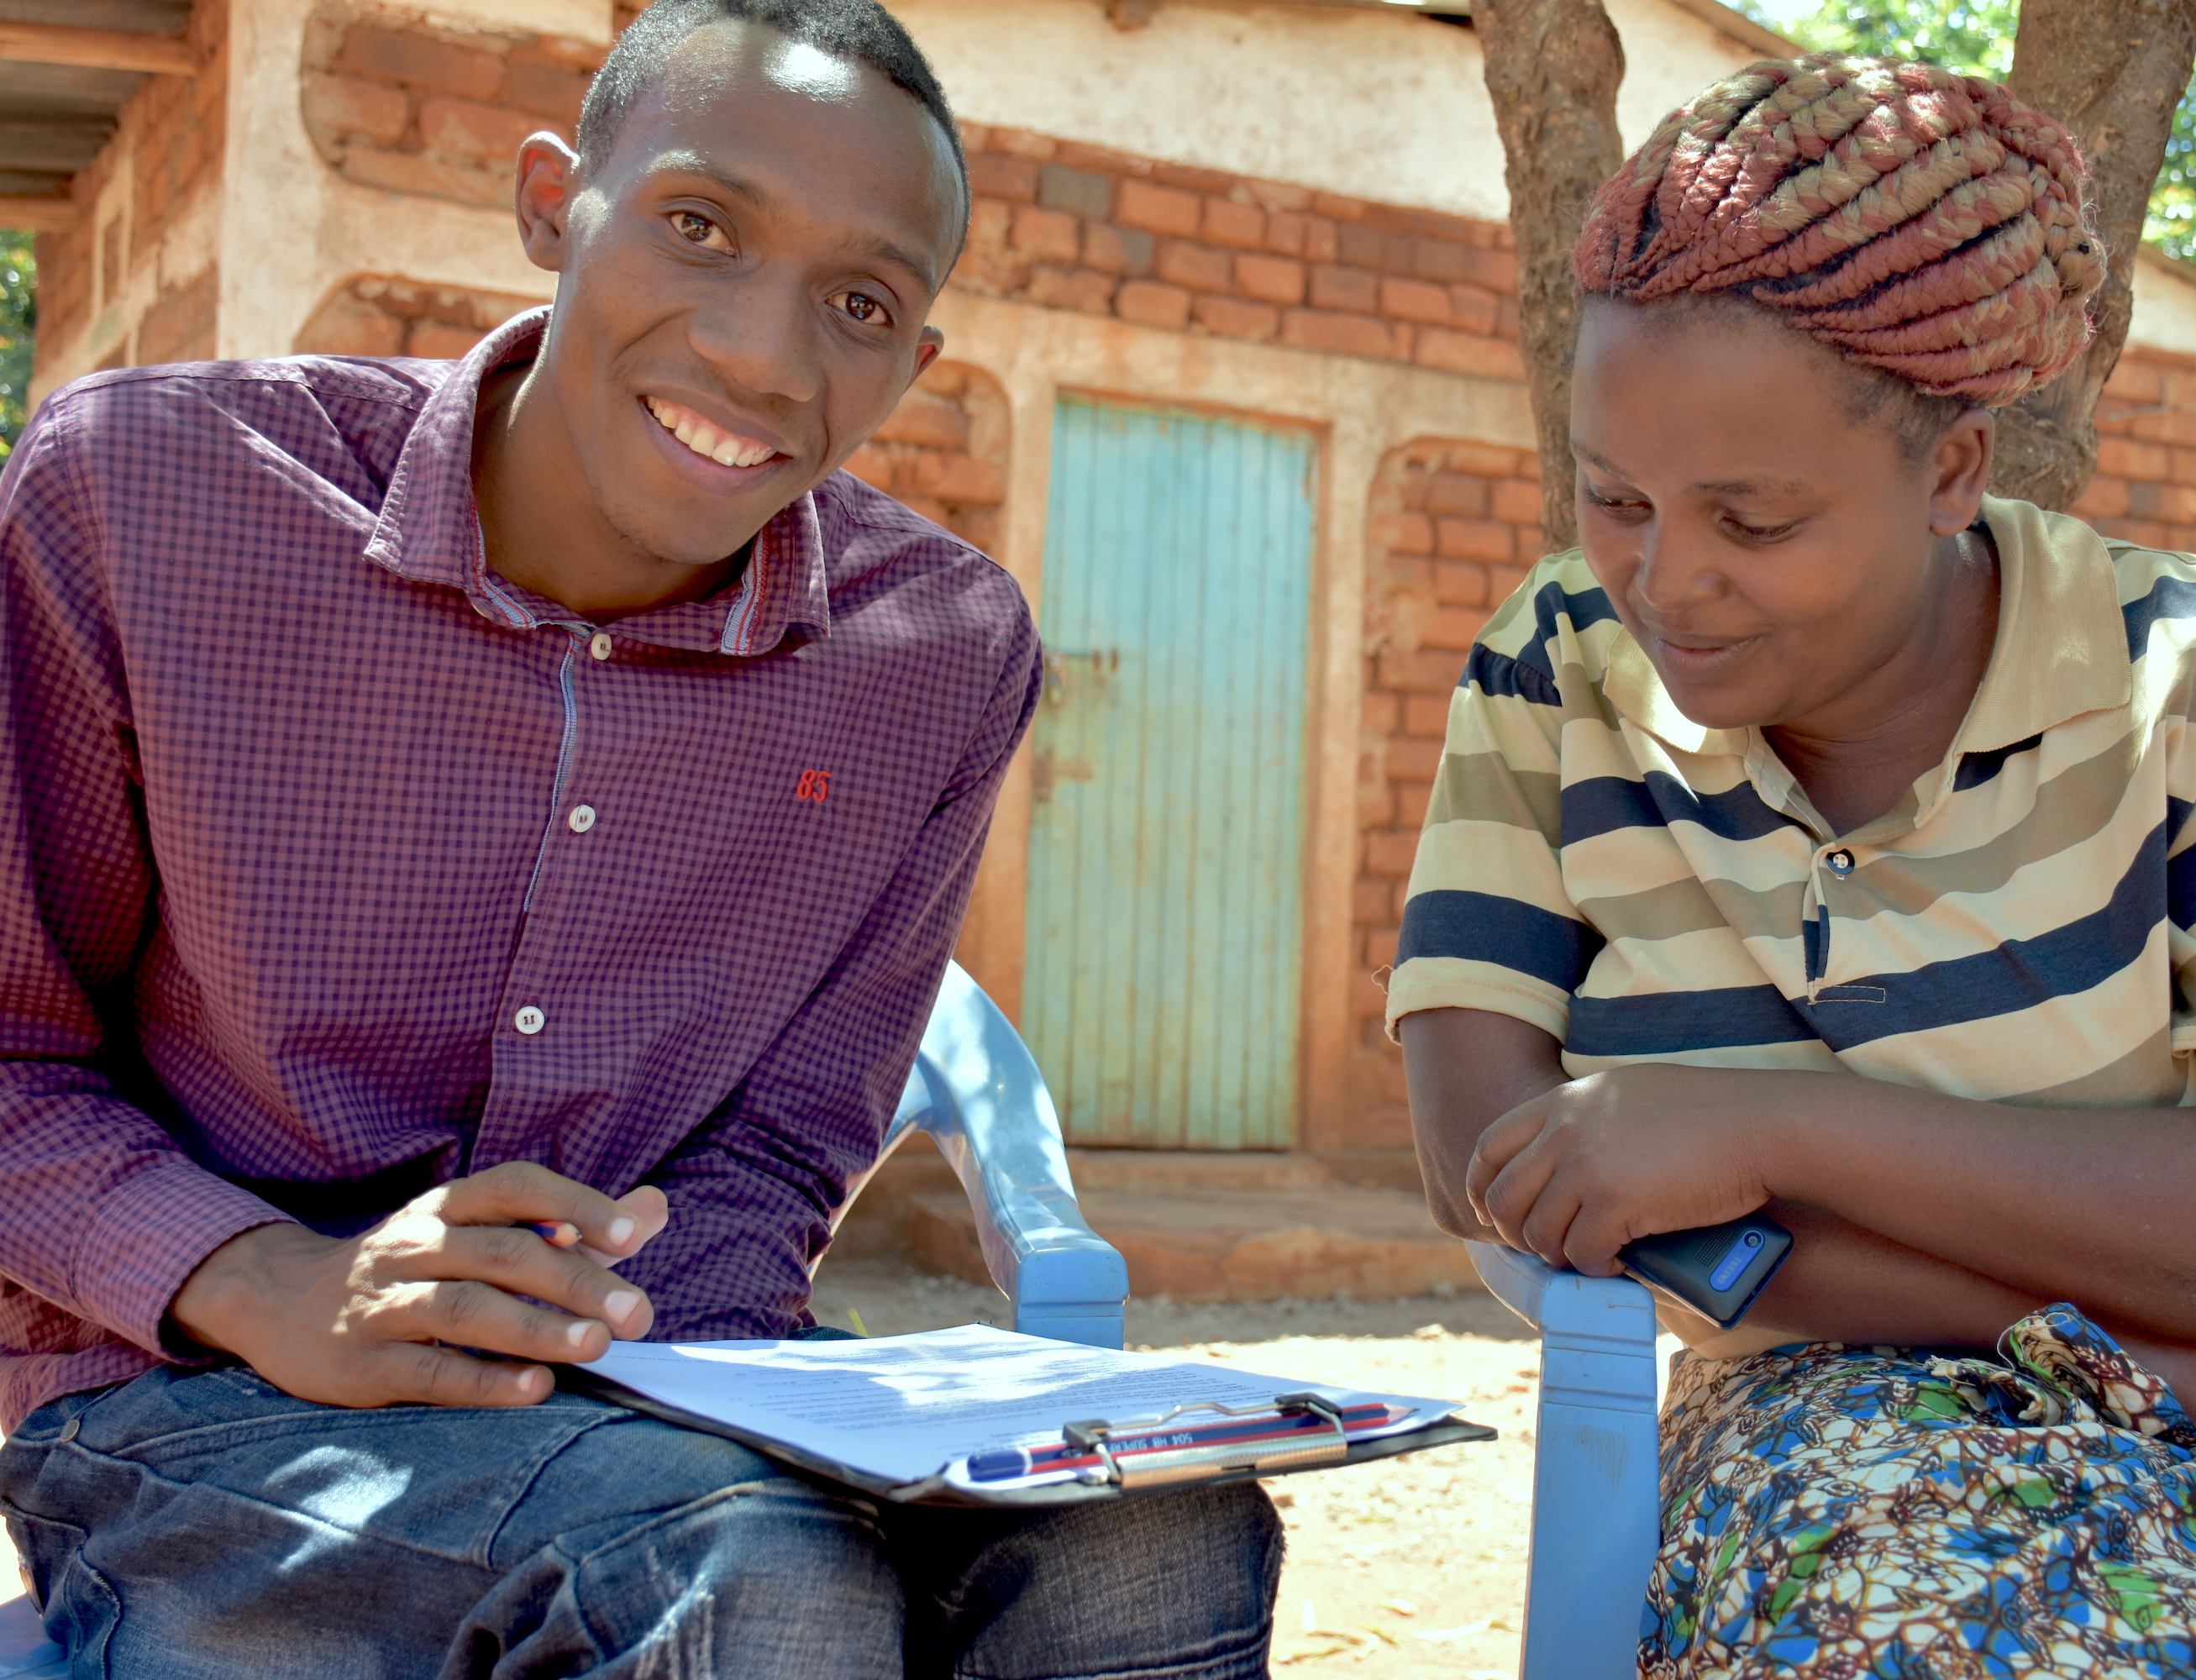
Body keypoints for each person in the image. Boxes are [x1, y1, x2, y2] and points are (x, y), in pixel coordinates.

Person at [0, 0, 1280, 1672]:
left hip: (651, 1405)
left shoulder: (936, 659)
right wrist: (264, 1280)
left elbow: (778, 1150)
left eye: (859, 303)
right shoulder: (150, 501)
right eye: (699, 225)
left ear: (914, 362)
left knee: (1159, 1530)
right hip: (192, 1395)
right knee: (750, 1576)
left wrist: (712, 1369)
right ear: (554, 204)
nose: (763, 354)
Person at [1393, 52, 2196, 1679]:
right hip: (1881, 1383)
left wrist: (1778, 1122)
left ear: (1953, 472)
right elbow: (1495, 1152)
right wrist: (2072, 1329)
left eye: (1754, 520)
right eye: (1615, 494)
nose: (1664, 579)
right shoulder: (1552, 674)